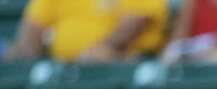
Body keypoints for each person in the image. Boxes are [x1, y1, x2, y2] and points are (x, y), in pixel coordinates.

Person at [4, 0, 167, 62]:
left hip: (120, 63)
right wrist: (28, 64)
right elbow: (33, 27)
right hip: (62, 66)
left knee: (101, 57)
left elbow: (135, 22)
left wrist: (100, 49)